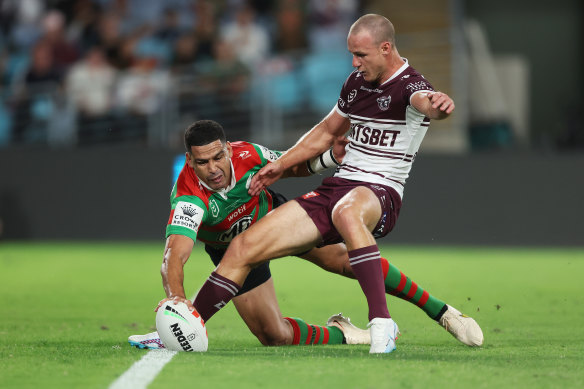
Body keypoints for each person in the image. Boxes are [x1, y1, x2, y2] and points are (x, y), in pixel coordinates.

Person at [185, 14, 484, 354]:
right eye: (351, 55)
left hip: (380, 192)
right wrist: (279, 166)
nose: (355, 63)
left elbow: (427, 103)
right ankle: (186, 326)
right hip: (337, 188)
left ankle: (382, 323)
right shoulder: (356, 83)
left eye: (361, 55)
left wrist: (440, 105)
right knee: (241, 248)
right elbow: (326, 132)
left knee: (348, 212)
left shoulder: (410, 85)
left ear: (385, 48)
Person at [131, 117, 482, 350]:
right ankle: (343, 334)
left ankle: (443, 311)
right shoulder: (190, 196)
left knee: (349, 260)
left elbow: (288, 165)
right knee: (273, 336)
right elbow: (174, 253)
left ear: (227, 148)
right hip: (233, 254)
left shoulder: (247, 154)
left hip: (275, 220)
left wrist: (330, 157)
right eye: (203, 163)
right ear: (190, 162)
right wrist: (176, 301)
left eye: (218, 157)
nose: (214, 168)